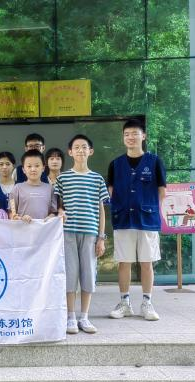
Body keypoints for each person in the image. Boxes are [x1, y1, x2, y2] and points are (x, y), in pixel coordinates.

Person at [107, 119, 166, 321]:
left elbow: (162, 191)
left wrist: (150, 209)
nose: (130, 137)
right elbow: (111, 191)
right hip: (123, 218)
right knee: (124, 262)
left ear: (143, 136)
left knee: (147, 262)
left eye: (135, 133)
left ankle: (147, 303)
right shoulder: (115, 164)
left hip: (147, 219)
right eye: (127, 134)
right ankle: (125, 303)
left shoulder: (154, 161)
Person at [55, 134, 109, 335]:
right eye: (76, 147)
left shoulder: (97, 178)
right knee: (70, 275)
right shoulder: (62, 178)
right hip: (67, 232)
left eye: (84, 147)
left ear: (90, 151)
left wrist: (101, 237)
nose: (80, 150)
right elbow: (57, 205)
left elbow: (101, 209)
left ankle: (84, 317)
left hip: (90, 233)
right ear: (70, 152)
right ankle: (70, 317)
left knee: (88, 275)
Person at [11, 149, 58, 222]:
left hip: (44, 228)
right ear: (23, 170)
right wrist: (21, 218)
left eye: (37, 166)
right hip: (23, 228)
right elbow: (12, 213)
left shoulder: (50, 189)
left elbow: (54, 212)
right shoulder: (17, 188)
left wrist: (50, 217)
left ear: (43, 168)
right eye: (29, 166)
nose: (33, 169)